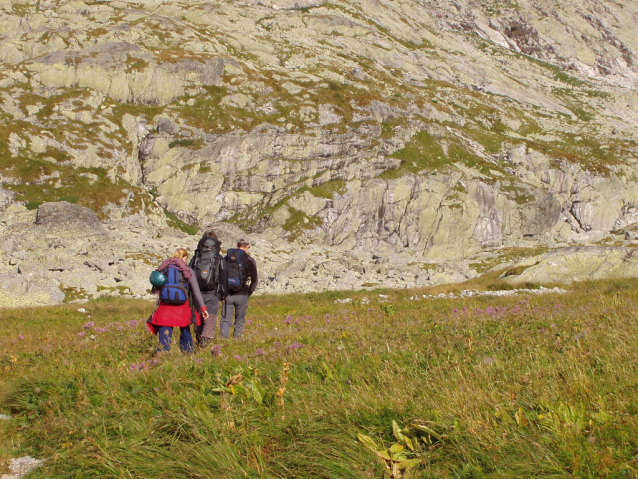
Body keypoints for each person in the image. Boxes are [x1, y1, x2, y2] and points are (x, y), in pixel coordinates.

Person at [149, 248, 209, 353]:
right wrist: (203, 308)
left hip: (165, 305)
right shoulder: (187, 271)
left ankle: (162, 355)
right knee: (185, 329)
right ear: (184, 257)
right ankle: (188, 353)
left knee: (165, 331)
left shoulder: (164, 268)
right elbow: (196, 291)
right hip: (182, 306)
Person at [189, 229, 227, 347]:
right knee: (210, 318)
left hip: (197, 293)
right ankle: (205, 345)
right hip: (212, 293)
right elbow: (224, 276)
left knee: (199, 317)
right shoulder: (218, 258)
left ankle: (198, 341)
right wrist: (223, 295)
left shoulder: (196, 257)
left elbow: (189, 273)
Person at [221, 238, 258, 338]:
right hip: (242, 294)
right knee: (239, 321)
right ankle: (236, 341)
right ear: (248, 246)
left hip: (227, 294)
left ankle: (222, 341)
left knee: (225, 320)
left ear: (237, 245)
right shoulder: (249, 260)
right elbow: (254, 281)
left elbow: (221, 276)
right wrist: (248, 293)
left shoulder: (227, 258)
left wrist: (222, 292)